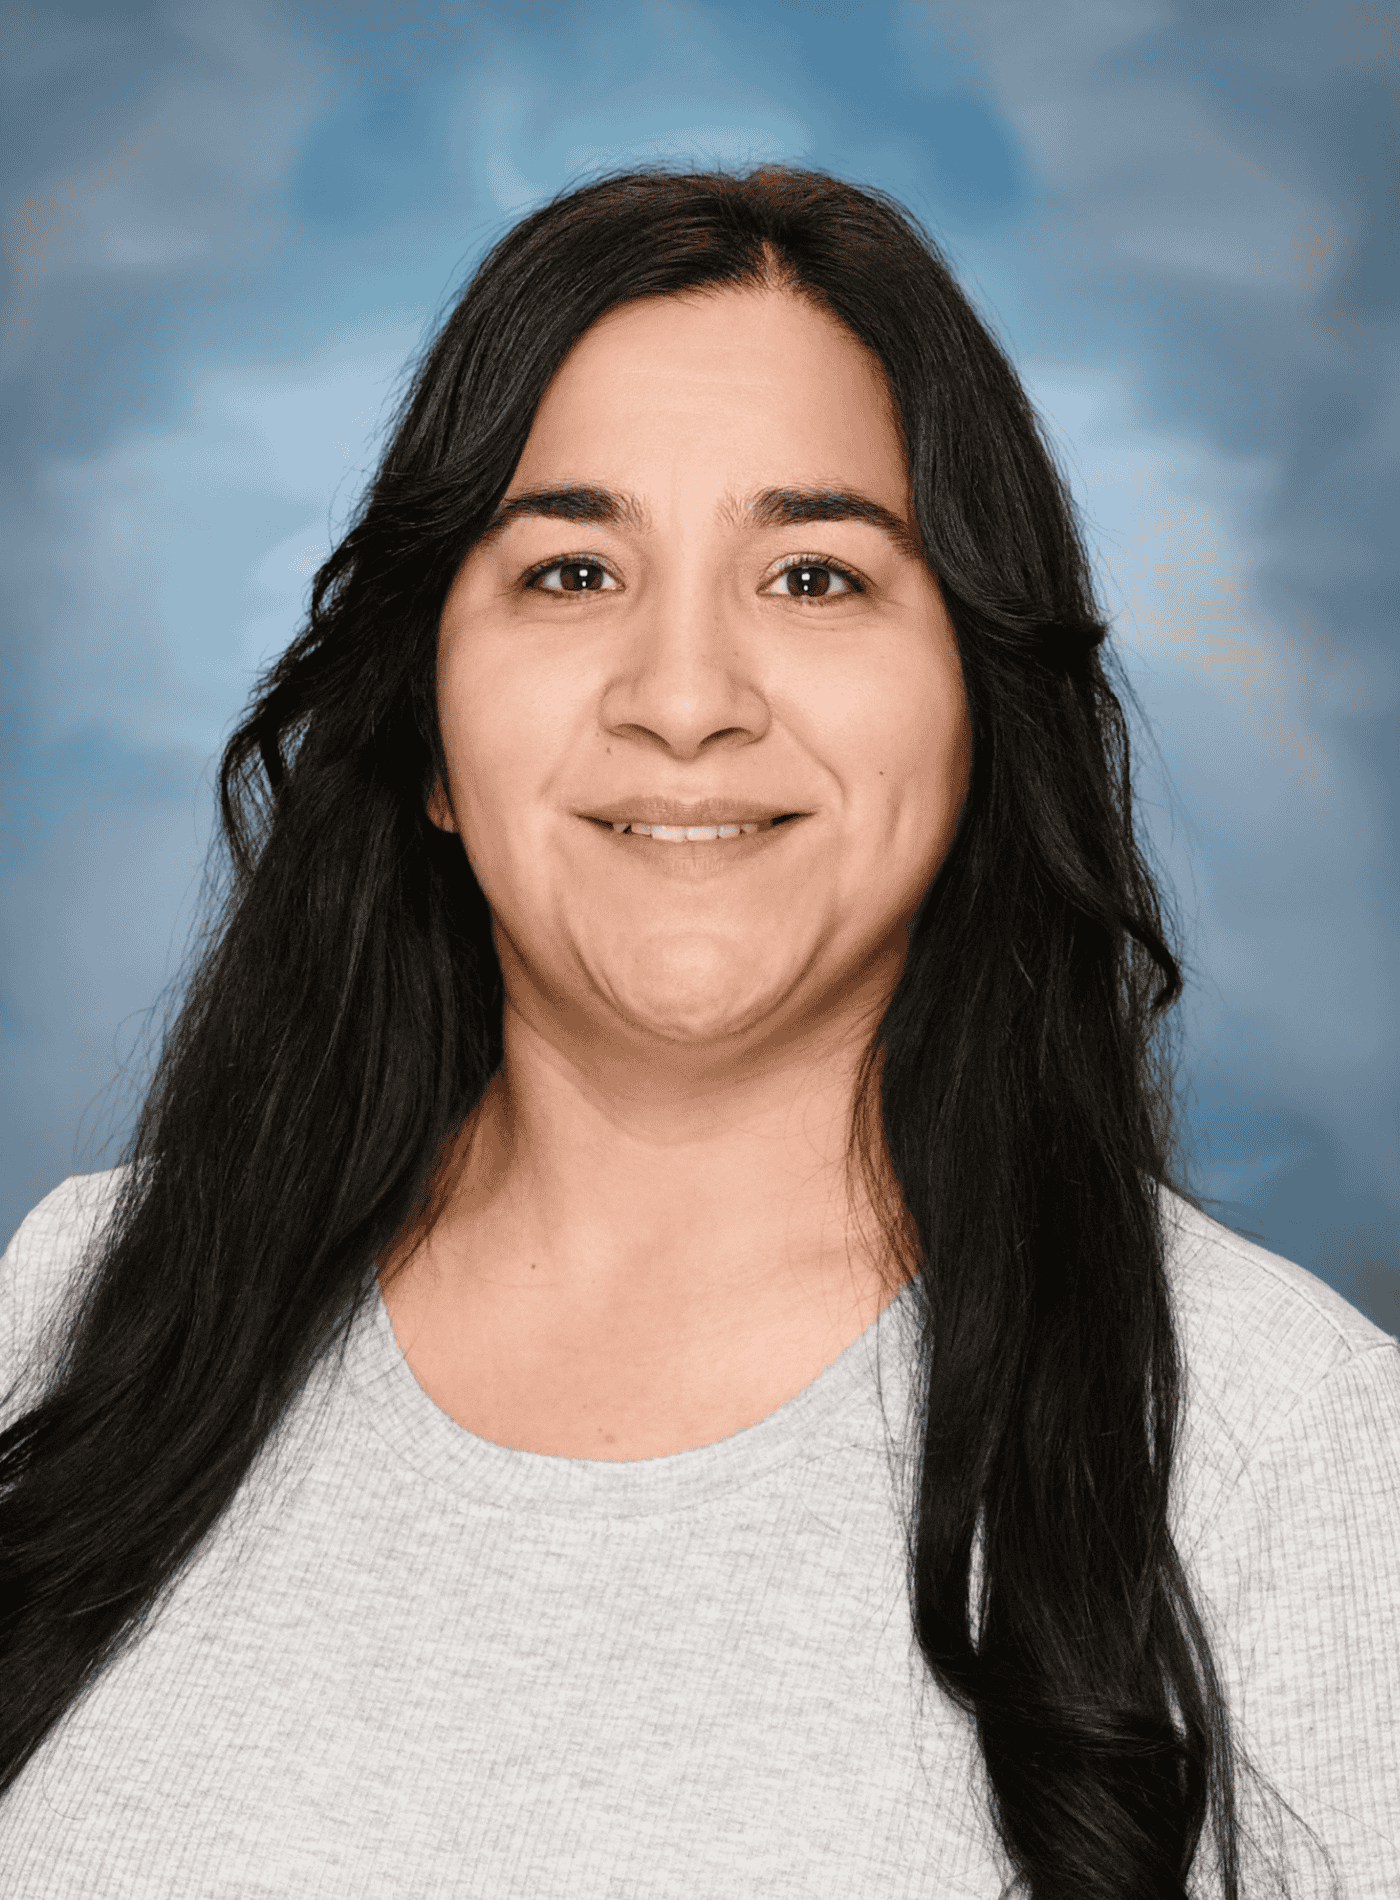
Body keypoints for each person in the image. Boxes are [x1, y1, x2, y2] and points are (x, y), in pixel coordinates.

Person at [1, 166, 1395, 1900]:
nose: (682, 700)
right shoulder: (70, 1317)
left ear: (979, 711)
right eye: (572, 570)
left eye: (813, 578)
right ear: (428, 733)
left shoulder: (1292, 1451)